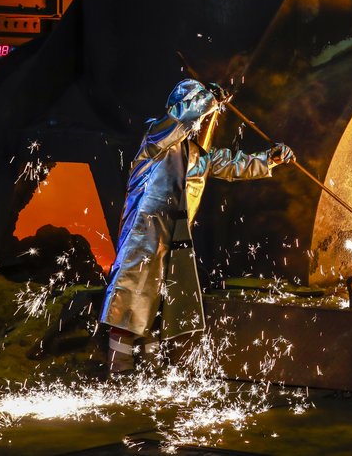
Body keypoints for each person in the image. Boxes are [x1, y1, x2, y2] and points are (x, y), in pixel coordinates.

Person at [100, 78, 294, 374]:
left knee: (160, 299)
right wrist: (210, 99)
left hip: (175, 235)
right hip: (145, 230)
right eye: (200, 111)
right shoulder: (157, 136)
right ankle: (120, 364)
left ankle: (150, 365)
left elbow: (233, 164)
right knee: (132, 289)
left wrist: (270, 159)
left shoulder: (197, 155)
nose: (203, 121)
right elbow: (182, 119)